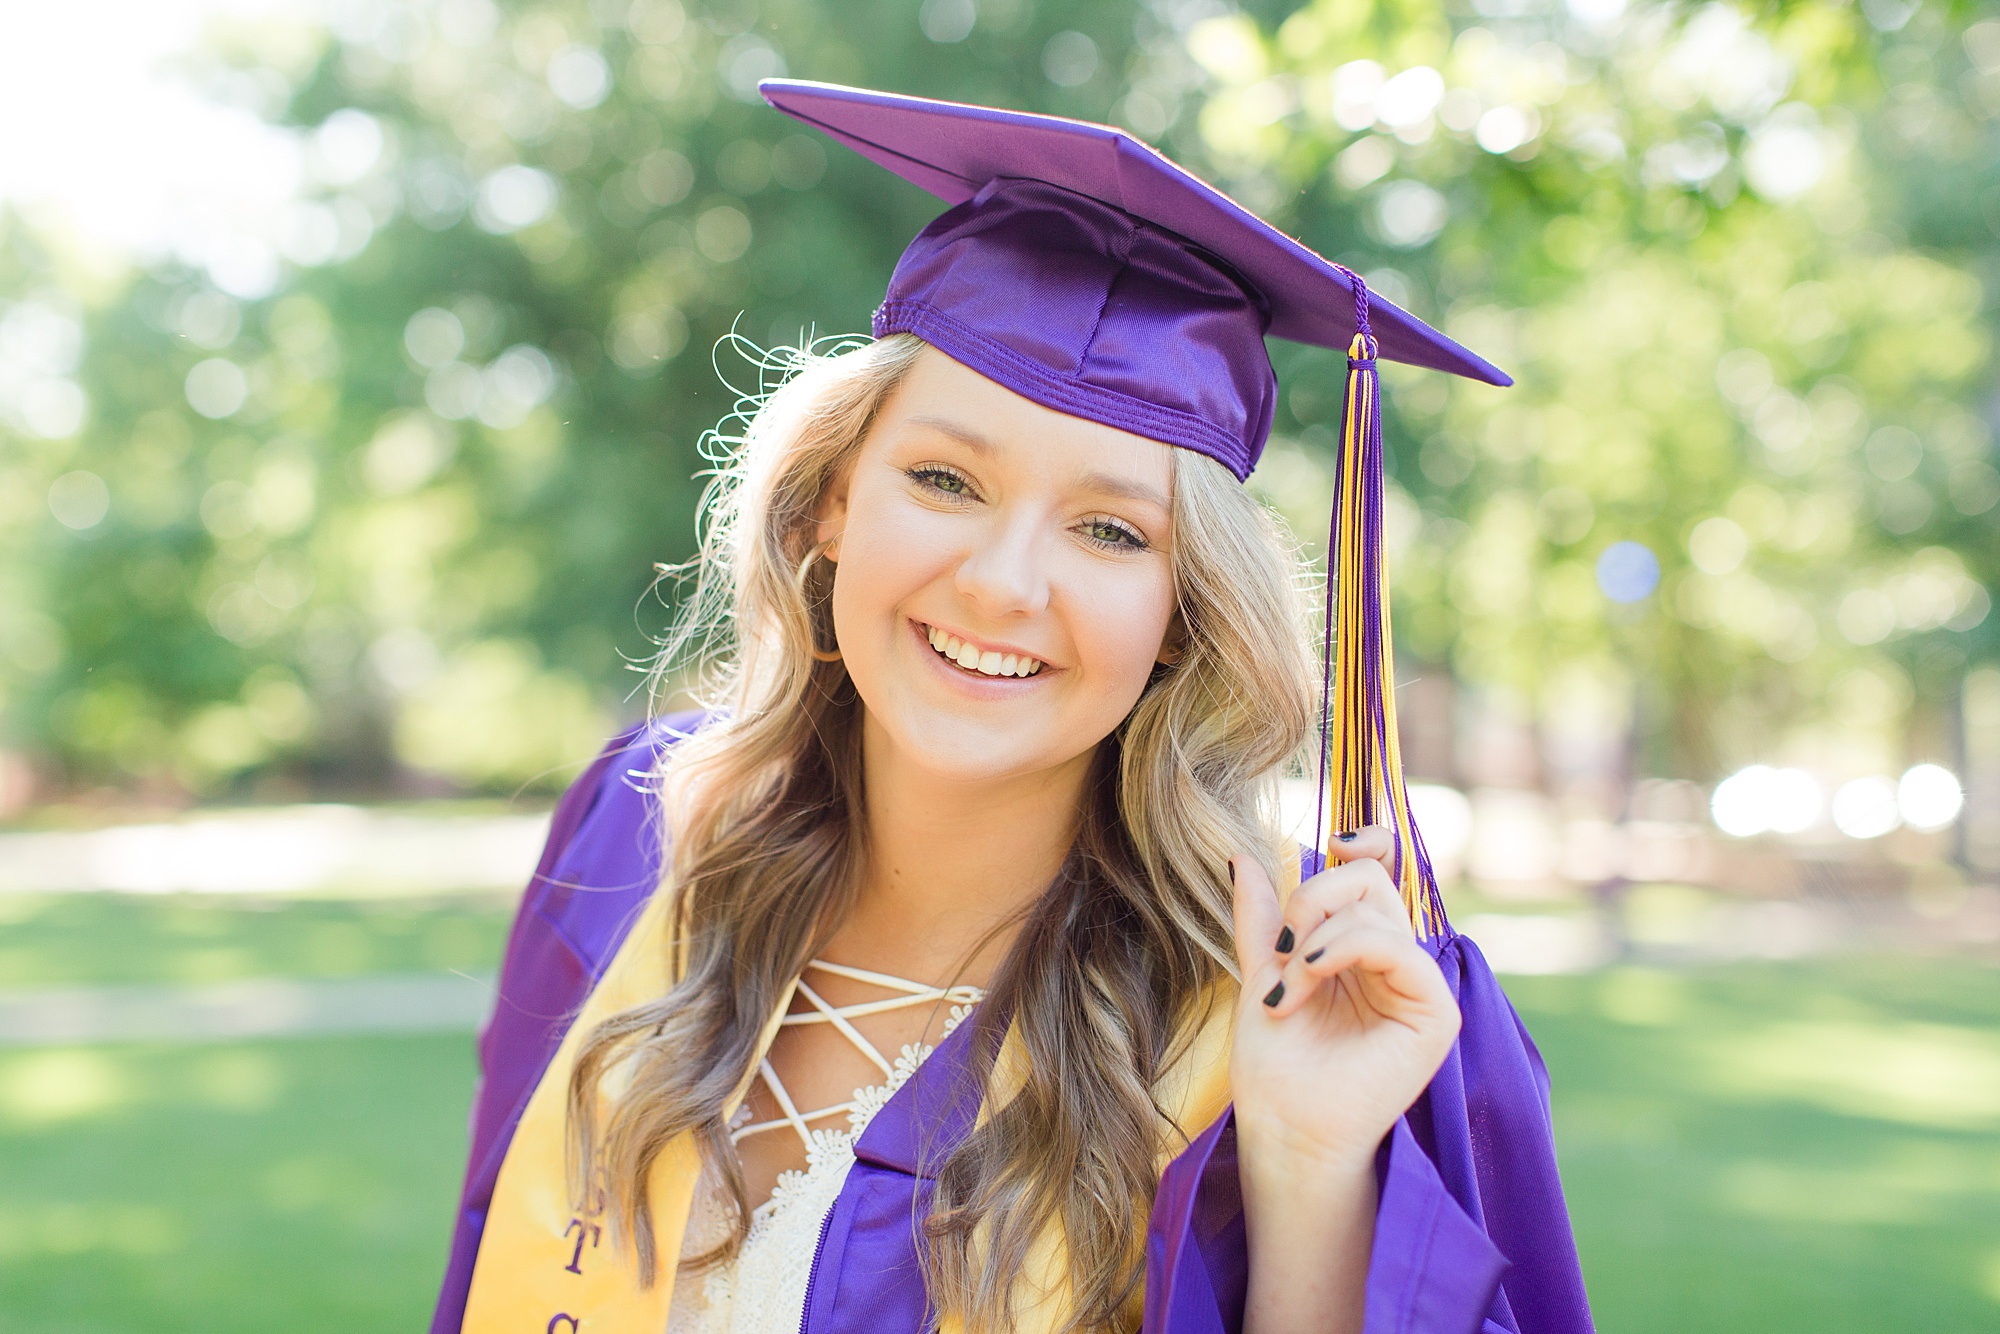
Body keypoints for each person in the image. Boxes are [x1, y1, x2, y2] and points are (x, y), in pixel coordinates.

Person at [431, 82, 1593, 1334]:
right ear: (830, 502)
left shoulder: (1302, 994)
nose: (1000, 582)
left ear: (1182, 611)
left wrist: (1307, 1166)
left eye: (1107, 528)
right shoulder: (640, 831)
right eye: (944, 478)